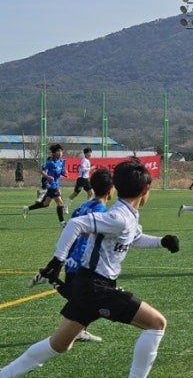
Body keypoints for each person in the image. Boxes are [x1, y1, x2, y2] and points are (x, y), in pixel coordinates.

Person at [0, 159, 180, 378]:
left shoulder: (127, 214)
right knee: (156, 324)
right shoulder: (119, 217)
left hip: (89, 285)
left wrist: (162, 242)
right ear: (145, 189)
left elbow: (135, 238)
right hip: (96, 287)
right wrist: (57, 260)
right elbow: (76, 224)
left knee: (60, 344)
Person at [30, 167, 114, 343]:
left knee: (79, 297)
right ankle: (51, 279)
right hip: (83, 257)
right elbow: (88, 233)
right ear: (110, 190)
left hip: (71, 255)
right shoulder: (100, 210)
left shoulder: (84, 205)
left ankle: (79, 330)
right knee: (82, 297)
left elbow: (72, 228)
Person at [22, 144, 68, 226]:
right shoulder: (50, 163)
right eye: (58, 151)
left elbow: (61, 172)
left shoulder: (61, 162)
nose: (60, 153)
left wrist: (64, 173)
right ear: (54, 153)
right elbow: (40, 170)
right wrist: (48, 176)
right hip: (52, 186)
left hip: (56, 185)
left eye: (61, 151)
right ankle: (62, 223)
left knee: (45, 204)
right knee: (60, 203)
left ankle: (27, 208)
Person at [64, 148, 95, 214]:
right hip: (82, 180)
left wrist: (90, 170)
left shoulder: (87, 160)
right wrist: (91, 168)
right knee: (75, 193)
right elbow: (83, 169)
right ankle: (65, 206)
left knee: (91, 193)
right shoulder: (84, 160)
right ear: (85, 153)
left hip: (86, 179)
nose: (90, 154)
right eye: (89, 153)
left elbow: (85, 170)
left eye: (90, 153)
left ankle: (86, 208)